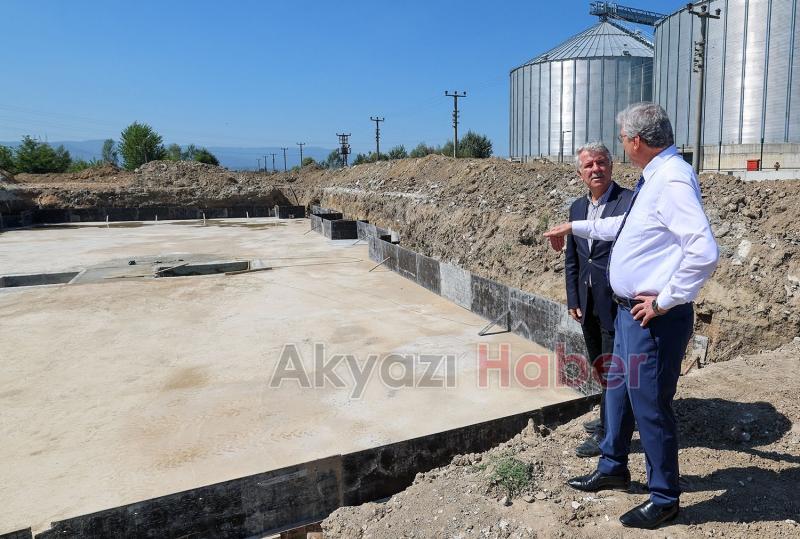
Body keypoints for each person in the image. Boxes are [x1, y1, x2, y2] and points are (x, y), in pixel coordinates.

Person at [544, 102, 718, 530]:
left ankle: (663, 497)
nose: (621, 148)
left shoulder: (672, 179)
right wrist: (573, 228)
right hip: (627, 317)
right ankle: (613, 467)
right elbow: (622, 229)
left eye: (622, 140)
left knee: (650, 405)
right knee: (618, 393)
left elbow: (704, 251)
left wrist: (665, 301)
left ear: (636, 140)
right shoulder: (654, 177)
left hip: (651, 319)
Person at [566, 142, 633, 458]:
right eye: (589, 165)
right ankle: (608, 418)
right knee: (600, 366)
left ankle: (609, 435)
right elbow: (573, 259)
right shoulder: (577, 209)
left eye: (601, 162)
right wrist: (572, 298)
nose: (596, 169)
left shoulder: (629, 202)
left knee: (614, 370)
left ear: (612, 165)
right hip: (587, 301)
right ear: (580, 173)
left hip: (616, 304)